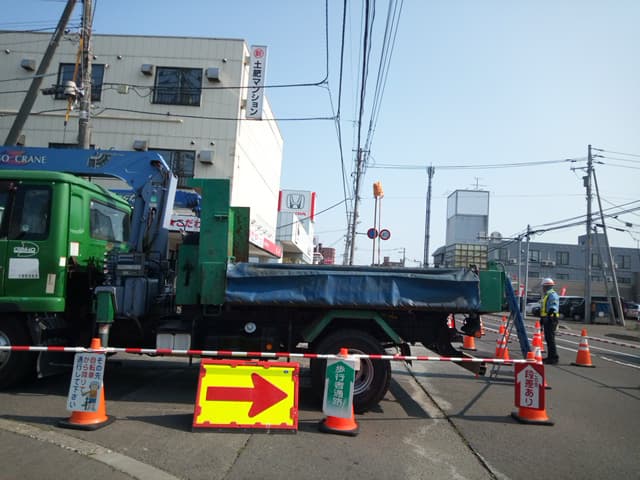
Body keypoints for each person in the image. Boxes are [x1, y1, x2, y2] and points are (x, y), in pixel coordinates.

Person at [540, 277, 560, 364]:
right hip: (548, 318)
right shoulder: (547, 295)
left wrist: (547, 317)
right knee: (548, 339)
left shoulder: (552, 294)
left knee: (550, 339)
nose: (543, 288)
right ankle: (550, 357)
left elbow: (553, 307)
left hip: (551, 319)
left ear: (546, 286)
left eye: (543, 287)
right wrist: (542, 319)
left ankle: (554, 358)